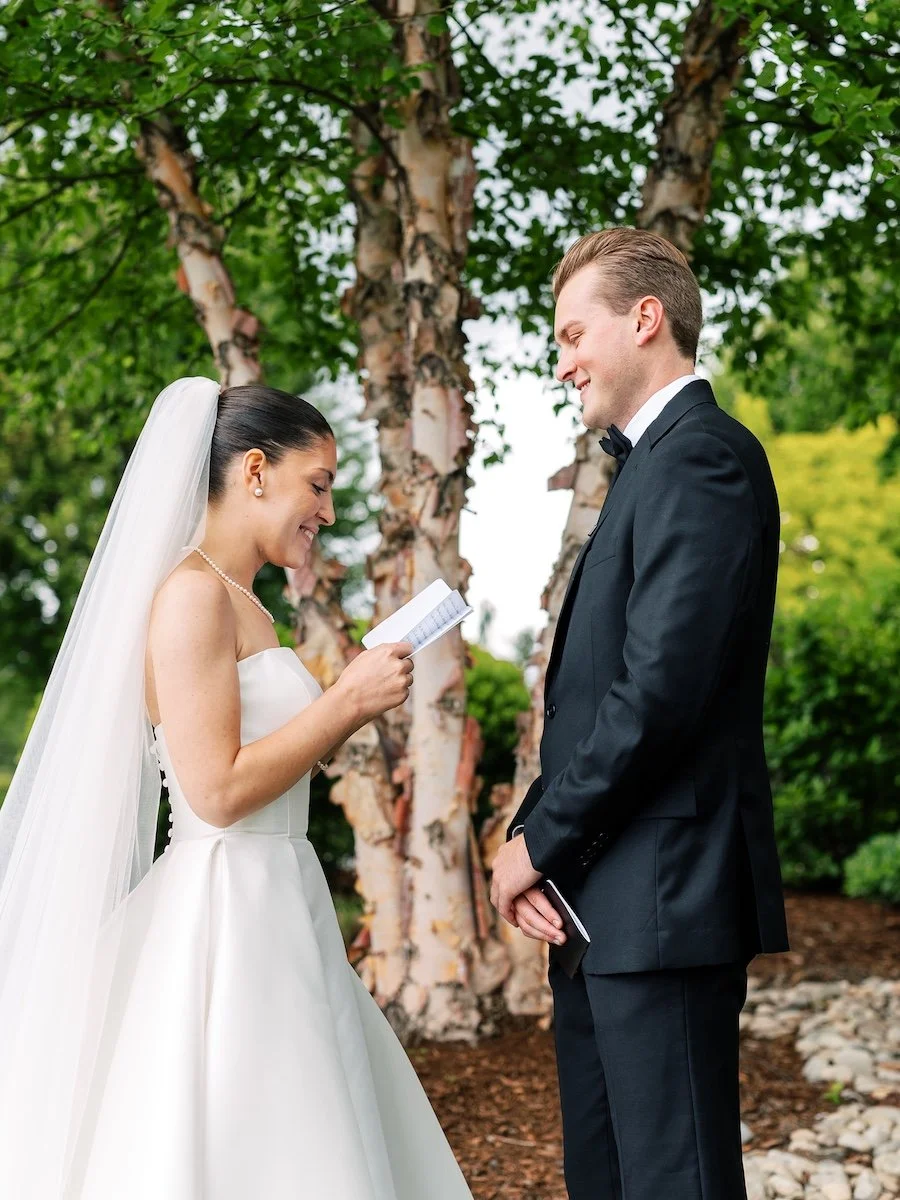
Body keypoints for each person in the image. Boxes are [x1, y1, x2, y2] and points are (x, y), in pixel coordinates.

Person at [0, 378, 473, 1200]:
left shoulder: (246, 603)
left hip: (281, 895)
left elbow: (266, 759)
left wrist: (344, 708)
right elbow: (215, 790)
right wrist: (344, 701)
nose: (325, 511)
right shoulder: (191, 596)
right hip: (225, 910)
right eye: (316, 485)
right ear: (255, 470)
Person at [490, 228, 789, 1200]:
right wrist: (541, 836)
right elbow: (596, 699)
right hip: (603, 912)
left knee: (675, 1184)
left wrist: (536, 844)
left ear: (646, 318)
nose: (563, 359)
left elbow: (660, 694)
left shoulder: (704, 459)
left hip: (665, 903)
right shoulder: (650, 467)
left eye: (575, 333)